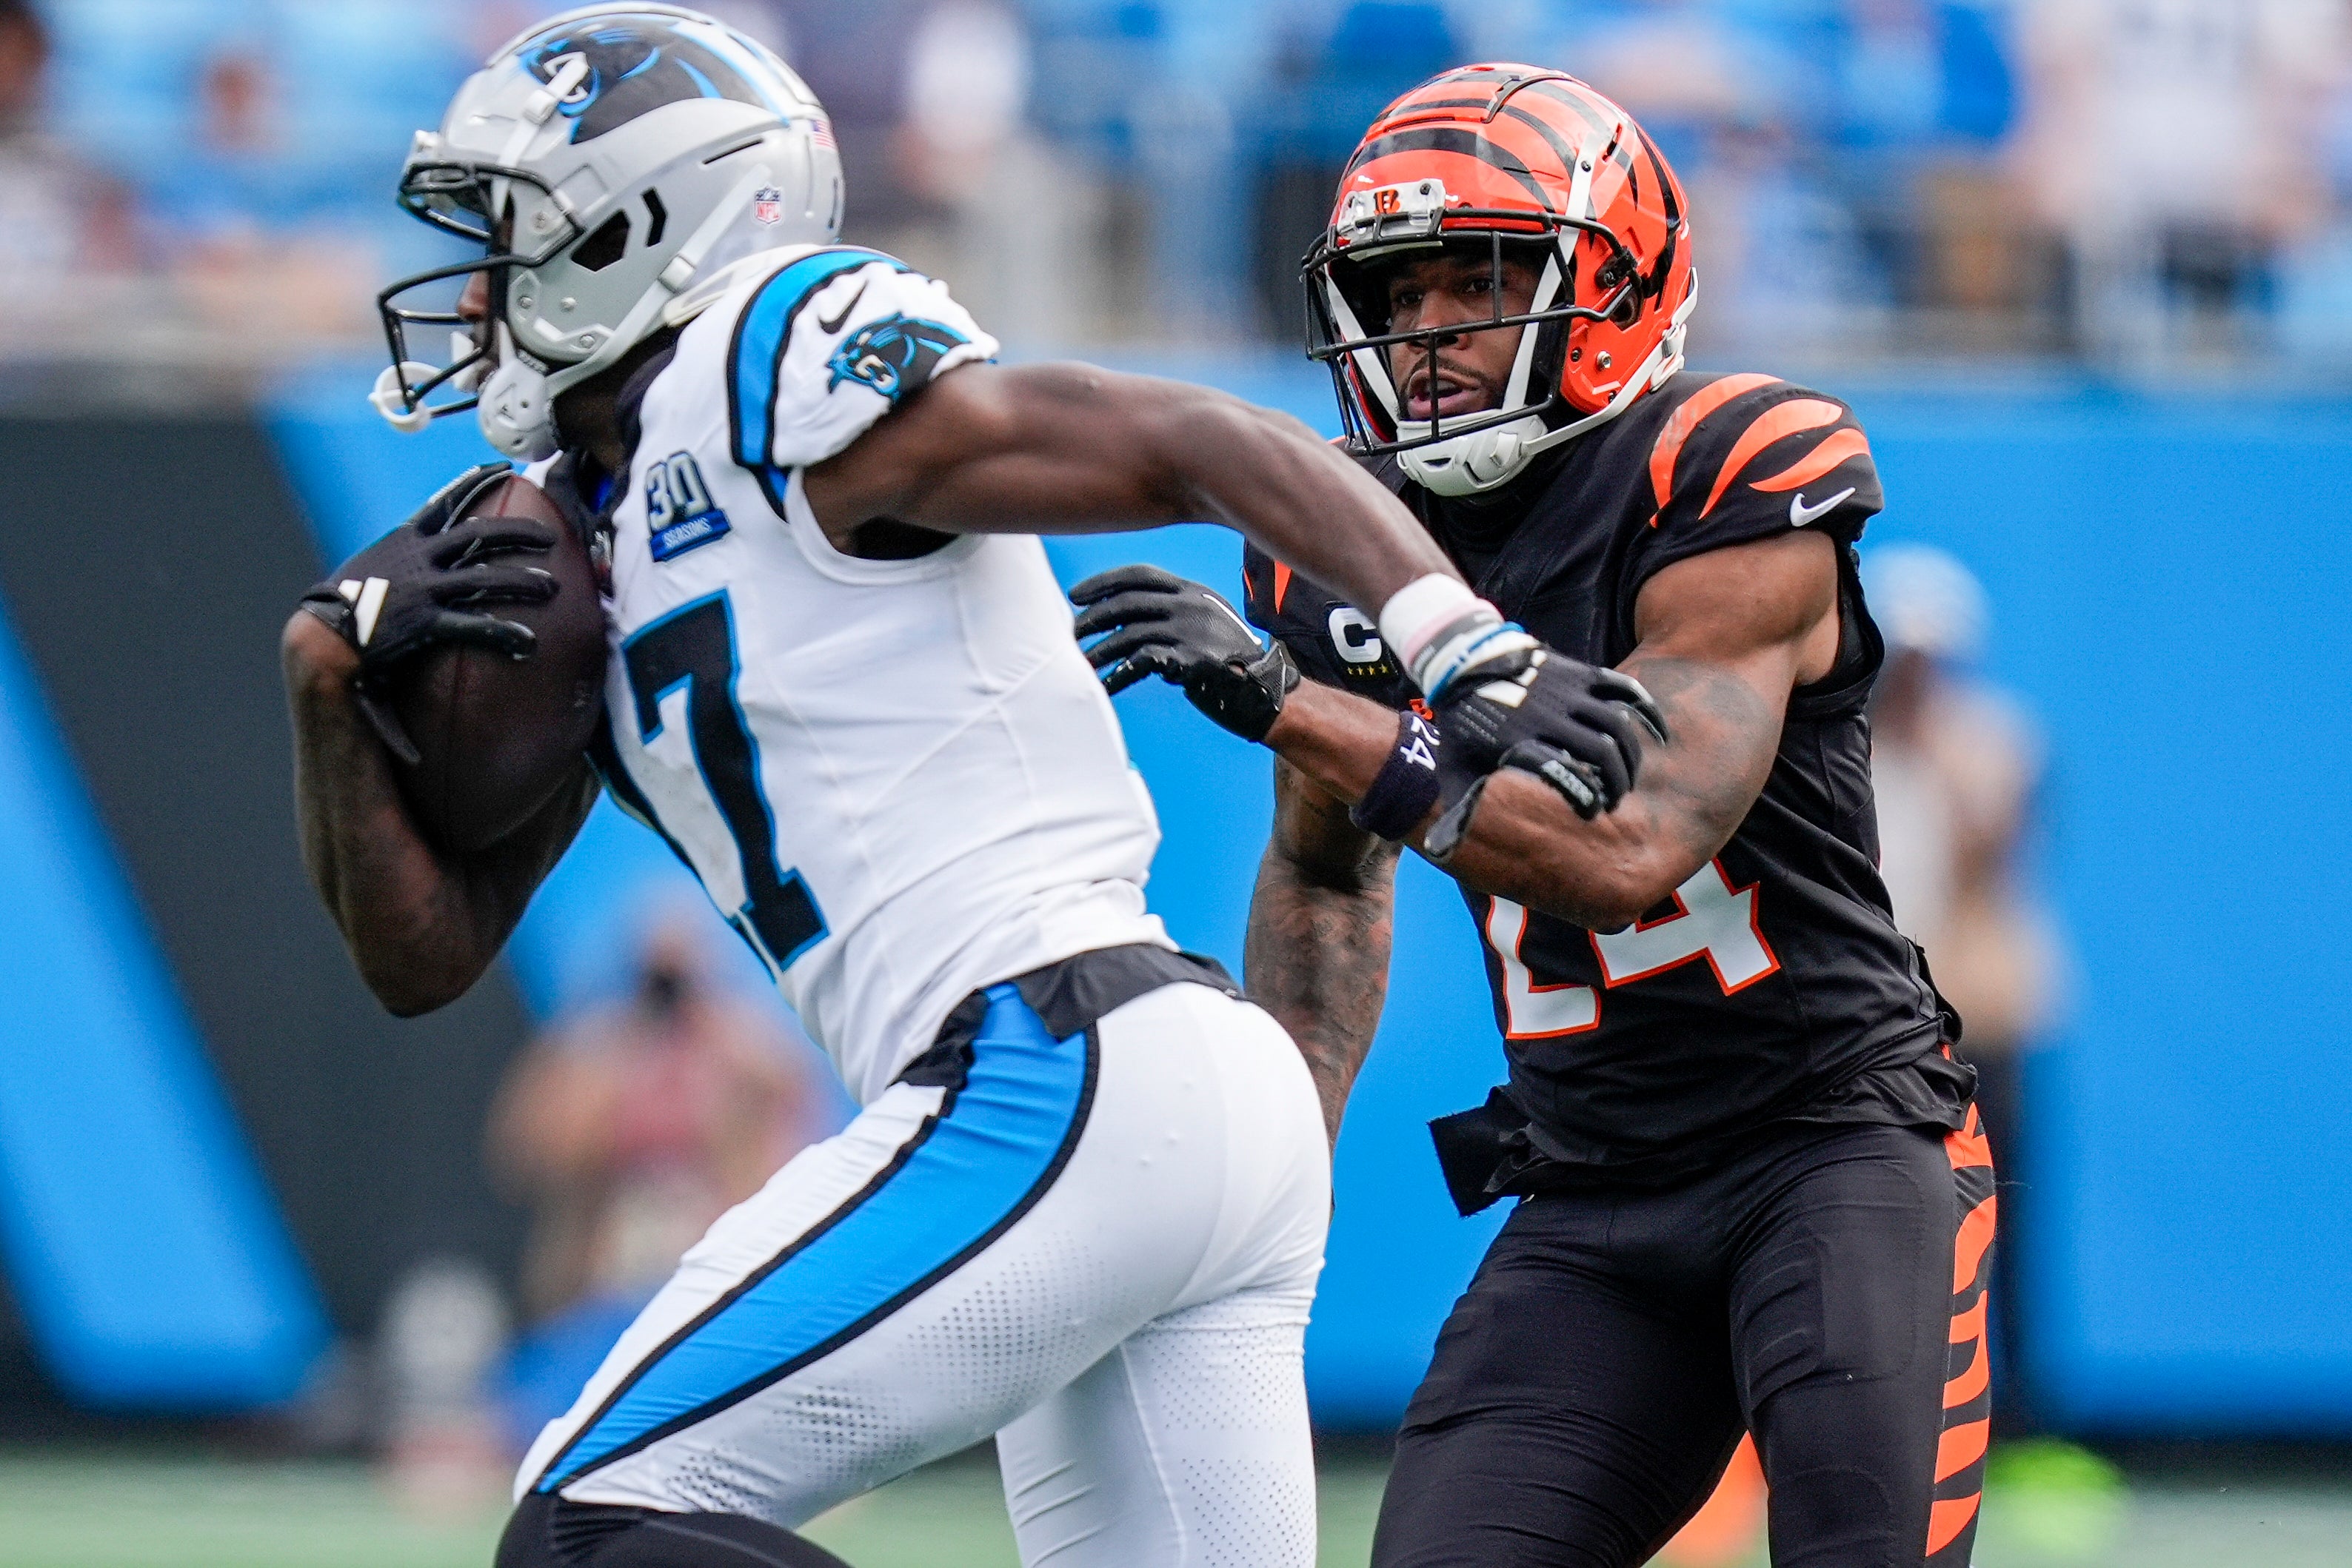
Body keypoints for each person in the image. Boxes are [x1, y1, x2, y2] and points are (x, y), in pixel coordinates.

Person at [281, 13, 1652, 1568]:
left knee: (597, 1528)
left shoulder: (765, 351)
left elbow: (1190, 441)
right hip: (1156, 1094)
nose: (476, 290)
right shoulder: (577, 541)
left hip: (1051, 1064)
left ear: (638, 223)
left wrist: (1459, 642)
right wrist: (323, 685)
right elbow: (427, 956)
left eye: (513, 238)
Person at [1072, 64, 1993, 1568]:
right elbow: (1322, 875)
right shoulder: (1333, 556)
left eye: (1481, 281)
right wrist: (1277, 1151)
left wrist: (1283, 700)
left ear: (1620, 281)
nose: (1427, 329)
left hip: (1832, 1150)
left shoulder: (1729, 466)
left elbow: (1627, 853)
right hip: (1589, 1189)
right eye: (1398, 290)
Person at [1865, 541, 2059, 1431]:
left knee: (2002, 1228)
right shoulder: (1831, 745)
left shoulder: (1991, 740)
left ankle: (2015, 1422)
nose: (1910, 674)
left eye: (1926, 657)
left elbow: (1988, 853)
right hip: (1870, 1026)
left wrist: (1925, 741)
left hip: (1980, 1021)